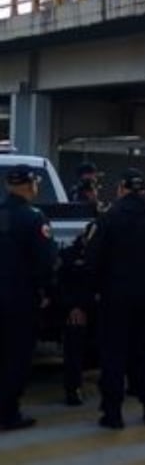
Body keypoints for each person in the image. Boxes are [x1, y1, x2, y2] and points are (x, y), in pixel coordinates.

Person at [86, 169, 145, 429]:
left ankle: (113, 413)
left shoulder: (109, 218)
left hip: (115, 298)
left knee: (113, 355)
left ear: (122, 190)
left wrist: (93, 292)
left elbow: (93, 260)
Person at [0, 165, 57, 431]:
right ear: (29, 185)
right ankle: (8, 414)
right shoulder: (33, 217)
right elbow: (45, 262)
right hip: (19, 300)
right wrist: (45, 291)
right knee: (17, 357)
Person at [58, 223, 96, 407]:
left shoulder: (106, 254)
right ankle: (73, 389)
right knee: (74, 342)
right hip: (77, 308)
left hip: (103, 308)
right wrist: (74, 306)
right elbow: (61, 284)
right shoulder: (70, 255)